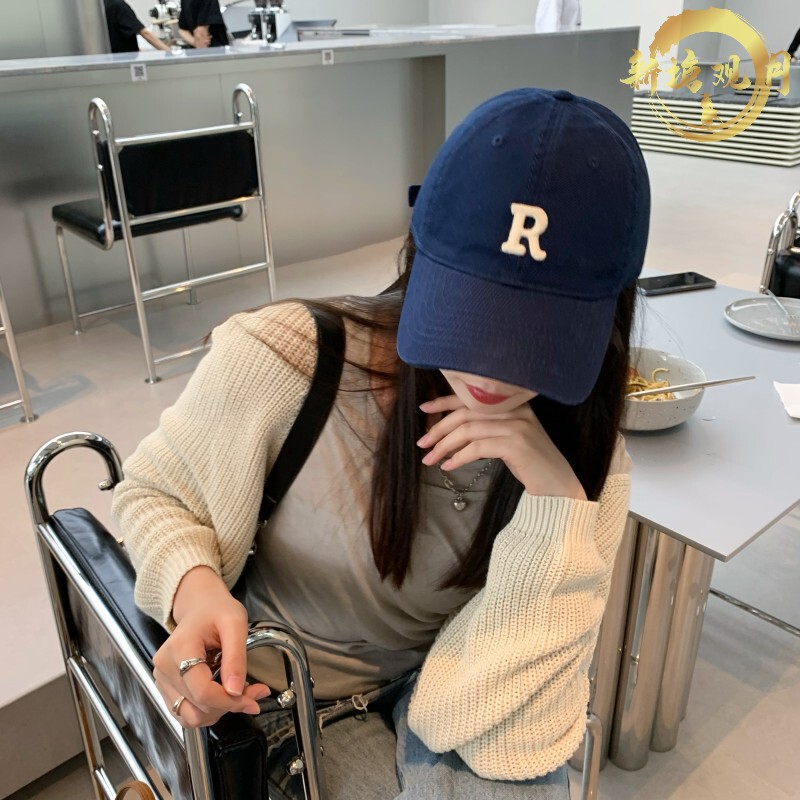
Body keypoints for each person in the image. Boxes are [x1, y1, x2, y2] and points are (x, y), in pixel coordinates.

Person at [111, 86, 650, 798]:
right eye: (473, 313)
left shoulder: (588, 471)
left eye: (534, 336)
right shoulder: (289, 360)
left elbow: (503, 723)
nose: (489, 371)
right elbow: (153, 493)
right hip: (277, 706)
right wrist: (195, 588)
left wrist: (554, 501)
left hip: (439, 696)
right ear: (420, 257)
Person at [103, 0, 170, 52]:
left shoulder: (102, 5)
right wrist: (169, 52)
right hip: (126, 62)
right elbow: (144, 33)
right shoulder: (119, 5)